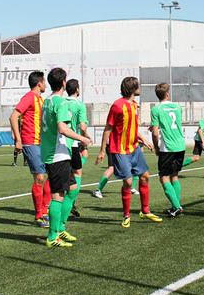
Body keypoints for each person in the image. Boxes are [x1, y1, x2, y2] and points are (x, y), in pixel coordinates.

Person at [97, 76, 162, 228]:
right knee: (127, 182)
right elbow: (108, 128)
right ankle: (126, 215)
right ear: (132, 88)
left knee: (145, 176)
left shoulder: (134, 105)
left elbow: (132, 127)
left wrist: (144, 139)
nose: (140, 88)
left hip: (135, 148)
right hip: (120, 150)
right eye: (137, 86)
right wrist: (101, 150)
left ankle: (145, 211)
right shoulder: (117, 106)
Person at [41, 68, 91, 248]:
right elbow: (62, 128)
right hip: (57, 154)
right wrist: (82, 138)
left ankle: (60, 228)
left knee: (73, 187)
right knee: (58, 195)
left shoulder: (47, 100)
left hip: (55, 152)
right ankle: (52, 236)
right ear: (63, 83)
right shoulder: (60, 102)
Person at [9, 71, 51, 228]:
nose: (45, 85)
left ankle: (45, 210)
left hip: (43, 143)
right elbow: (13, 116)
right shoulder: (29, 97)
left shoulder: (41, 99)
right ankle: (39, 216)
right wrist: (18, 140)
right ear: (39, 83)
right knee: (39, 178)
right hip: (30, 142)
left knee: (51, 176)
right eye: (44, 82)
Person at [150, 83, 185, 217]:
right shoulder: (177, 106)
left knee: (163, 177)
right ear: (168, 94)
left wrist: (156, 147)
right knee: (174, 175)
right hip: (180, 145)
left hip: (168, 147)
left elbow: (155, 133)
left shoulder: (156, 109)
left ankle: (177, 207)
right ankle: (175, 206)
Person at [65, 79, 91, 219]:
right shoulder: (79, 105)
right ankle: (72, 203)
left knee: (62, 175)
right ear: (77, 90)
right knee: (77, 173)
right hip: (73, 143)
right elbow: (82, 127)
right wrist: (85, 137)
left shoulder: (62, 103)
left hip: (61, 144)